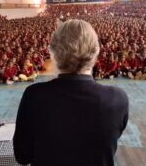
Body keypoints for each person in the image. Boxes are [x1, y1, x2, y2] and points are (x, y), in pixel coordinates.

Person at [14, 19, 129, 166]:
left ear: (53, 52)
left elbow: (22, 156)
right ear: (96, 51)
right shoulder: (117, 99)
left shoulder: (34, 96)